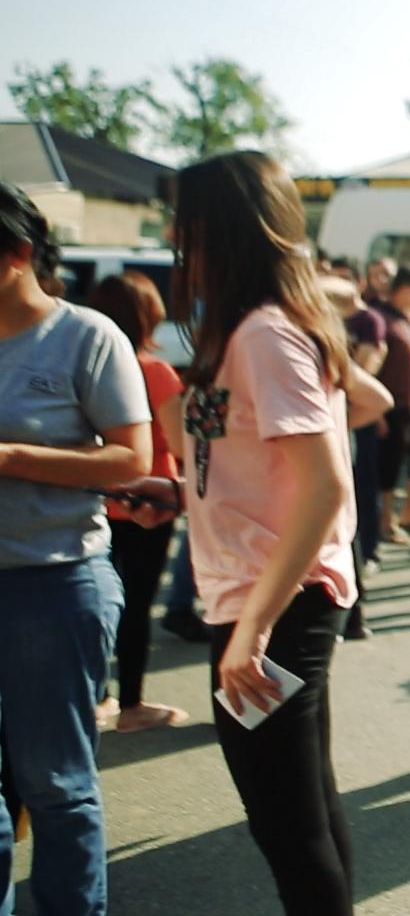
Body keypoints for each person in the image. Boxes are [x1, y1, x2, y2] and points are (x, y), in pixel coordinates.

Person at [146, 150, 392, 915]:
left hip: (271, 603)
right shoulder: (259, 331)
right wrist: (182, 488)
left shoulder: (264, 334)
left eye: (181, 222)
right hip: (260, 596)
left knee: (289, 827)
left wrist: (251, 631)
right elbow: (332, 419)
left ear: (213, 230)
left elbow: (322, 486)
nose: (171, 236)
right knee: (303, 815)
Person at [0, 180, 145, 916]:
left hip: (52, 584)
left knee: (55, 785)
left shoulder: (85, 335)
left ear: (19, 255)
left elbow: (131, 461)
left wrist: (12, 458)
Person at [85, 272, 192, 732]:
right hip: (152, 500)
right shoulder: (153, 371)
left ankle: (97, 696)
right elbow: (183, 443)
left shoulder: (85, 362)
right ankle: (131, 704)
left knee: (96, 600)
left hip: (96, 495)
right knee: (136, 602)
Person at [320, 275, 388, 638]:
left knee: (344, 525)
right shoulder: (328, 347)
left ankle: (353, 612)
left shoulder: (326, 348)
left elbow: (377, 396)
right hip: (335, 437)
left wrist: (339, 424)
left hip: (332, 441)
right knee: (345, 526)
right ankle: (354, 613)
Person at [370, 265, 410, 545]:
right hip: (385, 408)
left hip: (402, 407)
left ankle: (387, 520)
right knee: (386, 469)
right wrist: (376, 412)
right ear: (404, 290)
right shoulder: (383, 320)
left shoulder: (404, 320)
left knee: (394, 465)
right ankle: (383, 523)